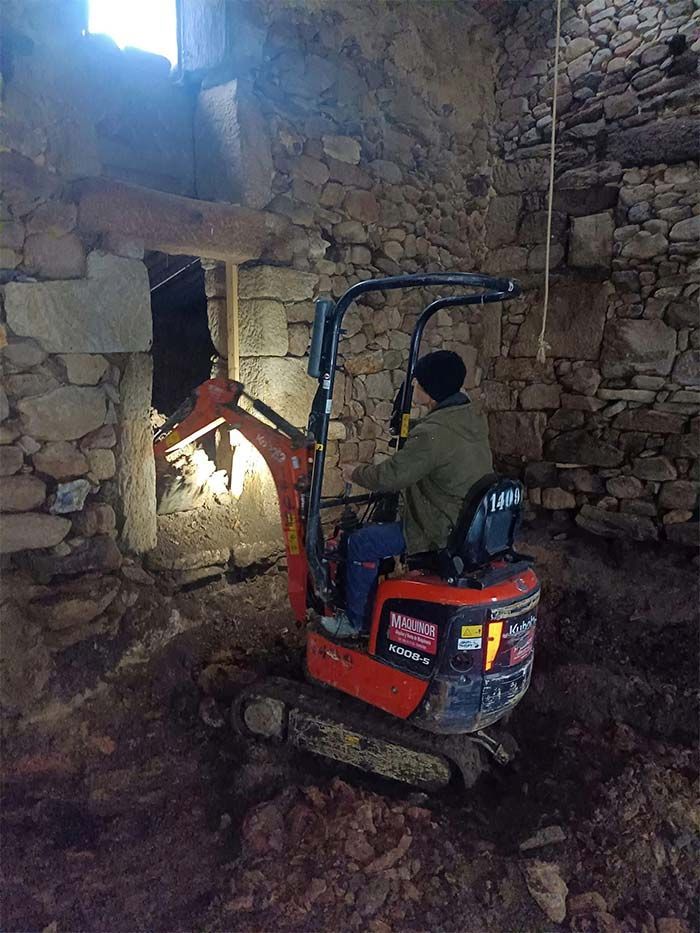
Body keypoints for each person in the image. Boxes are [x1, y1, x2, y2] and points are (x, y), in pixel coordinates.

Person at [322, 349, 493, 639]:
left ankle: (355, 623)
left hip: (438, 529)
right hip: (470, 524)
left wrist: (355, 472)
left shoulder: (431, 434)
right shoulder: (469, 418)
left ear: (429, 390)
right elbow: (440, 446)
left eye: (417, 382)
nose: (413, 386)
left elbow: (391, 477)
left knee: (362, 542)